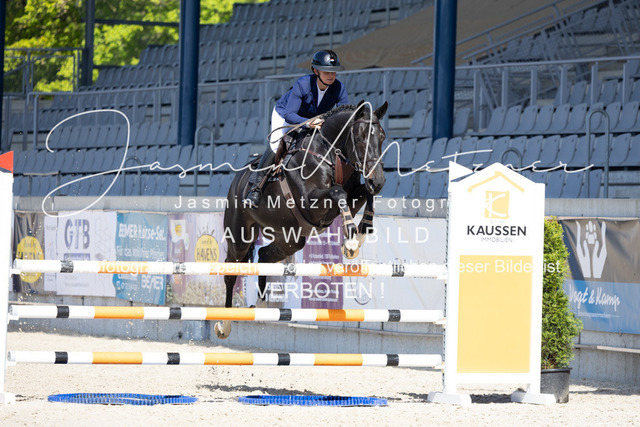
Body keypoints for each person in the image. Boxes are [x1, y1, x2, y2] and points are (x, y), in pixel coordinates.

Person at [243, 49, 349, 208]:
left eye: (333, 72)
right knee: (276, 145)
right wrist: (308, 123)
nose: (331, 75)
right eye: (326, 72)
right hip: (286, 114)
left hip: (315, 119)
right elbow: (290, 115)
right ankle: (255, 189)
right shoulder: (303, 84)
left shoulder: (339, 88)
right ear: (316, 71)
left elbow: (343, 115)